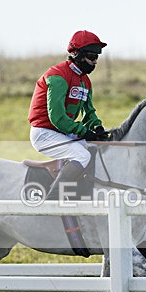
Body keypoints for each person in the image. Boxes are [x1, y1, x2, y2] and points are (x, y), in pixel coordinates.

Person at [28, 30, 111, 200]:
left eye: (97, 57)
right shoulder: (57, 76)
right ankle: (52, 199)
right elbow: (57, 118)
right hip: (44, 134)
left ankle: (81, 192)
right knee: (82, 155)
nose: (95, 61)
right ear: (76, 54)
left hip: (62, 133)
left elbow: (89, 112)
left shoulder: (85, 81)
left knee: (96, 149)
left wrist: (97, 127)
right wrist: (83, 132)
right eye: (91, 56)